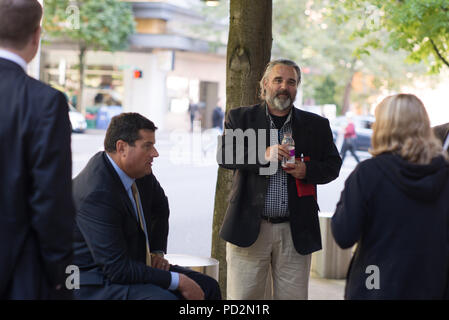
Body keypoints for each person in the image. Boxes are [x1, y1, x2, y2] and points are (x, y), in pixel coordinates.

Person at [218, 59, 342, 300]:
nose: (284, 86)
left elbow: (333, 165)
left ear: (297, 88)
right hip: (249, 228)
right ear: (264, 85)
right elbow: (225, 155)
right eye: (278, 80)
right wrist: (263, 154)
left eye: (291, 82)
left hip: (295, 230)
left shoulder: (316, 125)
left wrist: (307, 170)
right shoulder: (241, 118)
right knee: (243, 300)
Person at [72, 113, 221, 300]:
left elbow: (160, 206)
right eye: (147, 146)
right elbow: (117, 269)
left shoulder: (139, 172)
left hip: (130, 265)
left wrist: (156, 253)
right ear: (122, 148)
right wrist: (178, 280)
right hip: (92, 280)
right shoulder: (97, 192)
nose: (155, 153)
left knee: (208, 286)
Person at [331, 94, 449, 299]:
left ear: (383, 126)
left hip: (375, 283)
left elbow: (344, 235)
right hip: (431, 285)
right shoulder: (445, 174)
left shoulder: (368, 174)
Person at [0, 0, 75, 299]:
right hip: (20, 267)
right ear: (36, 35)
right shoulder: (45, 102)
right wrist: (61, 275)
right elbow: (51, 201)